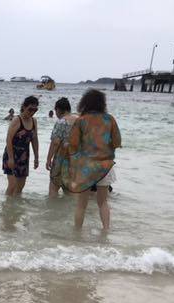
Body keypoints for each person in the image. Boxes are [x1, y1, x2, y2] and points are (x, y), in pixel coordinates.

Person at [66, 89, 122, 230]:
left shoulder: (81, 121)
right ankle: (106, 231)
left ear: (85, 103)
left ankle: (77, 233)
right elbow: (117, 142)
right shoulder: (110, 119)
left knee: (81, 204)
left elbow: (73, 144)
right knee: (103, 202)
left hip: (86, 167)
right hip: (105, 165)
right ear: (102, 103)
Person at [2, 96, 40, 196]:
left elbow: (34, 139)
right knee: (12, 185)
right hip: (12, 155)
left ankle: (15, 205)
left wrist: (36, 157)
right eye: (30, 109)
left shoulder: (34, 121)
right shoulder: (17, 120)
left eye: (35, 110)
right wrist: (11, 158)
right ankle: (7, 204)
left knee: (20, 187)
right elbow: (8, 139)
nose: (32, 112)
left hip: (24, 156)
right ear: (24, 107)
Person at [46, 97, 79, 198]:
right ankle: (69, 208)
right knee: (70, 191)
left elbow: (55, 142)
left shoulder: (62, 122)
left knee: (53, 188)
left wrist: (48, 159)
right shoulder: (79, 120)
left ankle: (53, 207)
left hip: (61, 159)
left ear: (58, 110)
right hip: (76, 160)